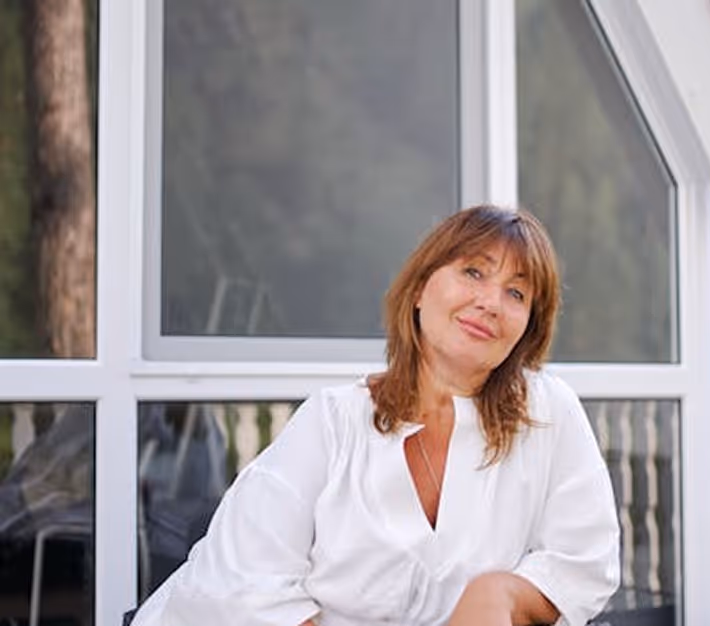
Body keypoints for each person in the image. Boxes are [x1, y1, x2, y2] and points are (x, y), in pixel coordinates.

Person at [131, 205, 620, 626]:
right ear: (419, 290)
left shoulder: (547, 414)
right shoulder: (332, 421)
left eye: (517, 293)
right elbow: (245, 581)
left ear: (528, 327)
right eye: (473, 271)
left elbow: (586, 562)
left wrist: (501, 592)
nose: (490, 302)